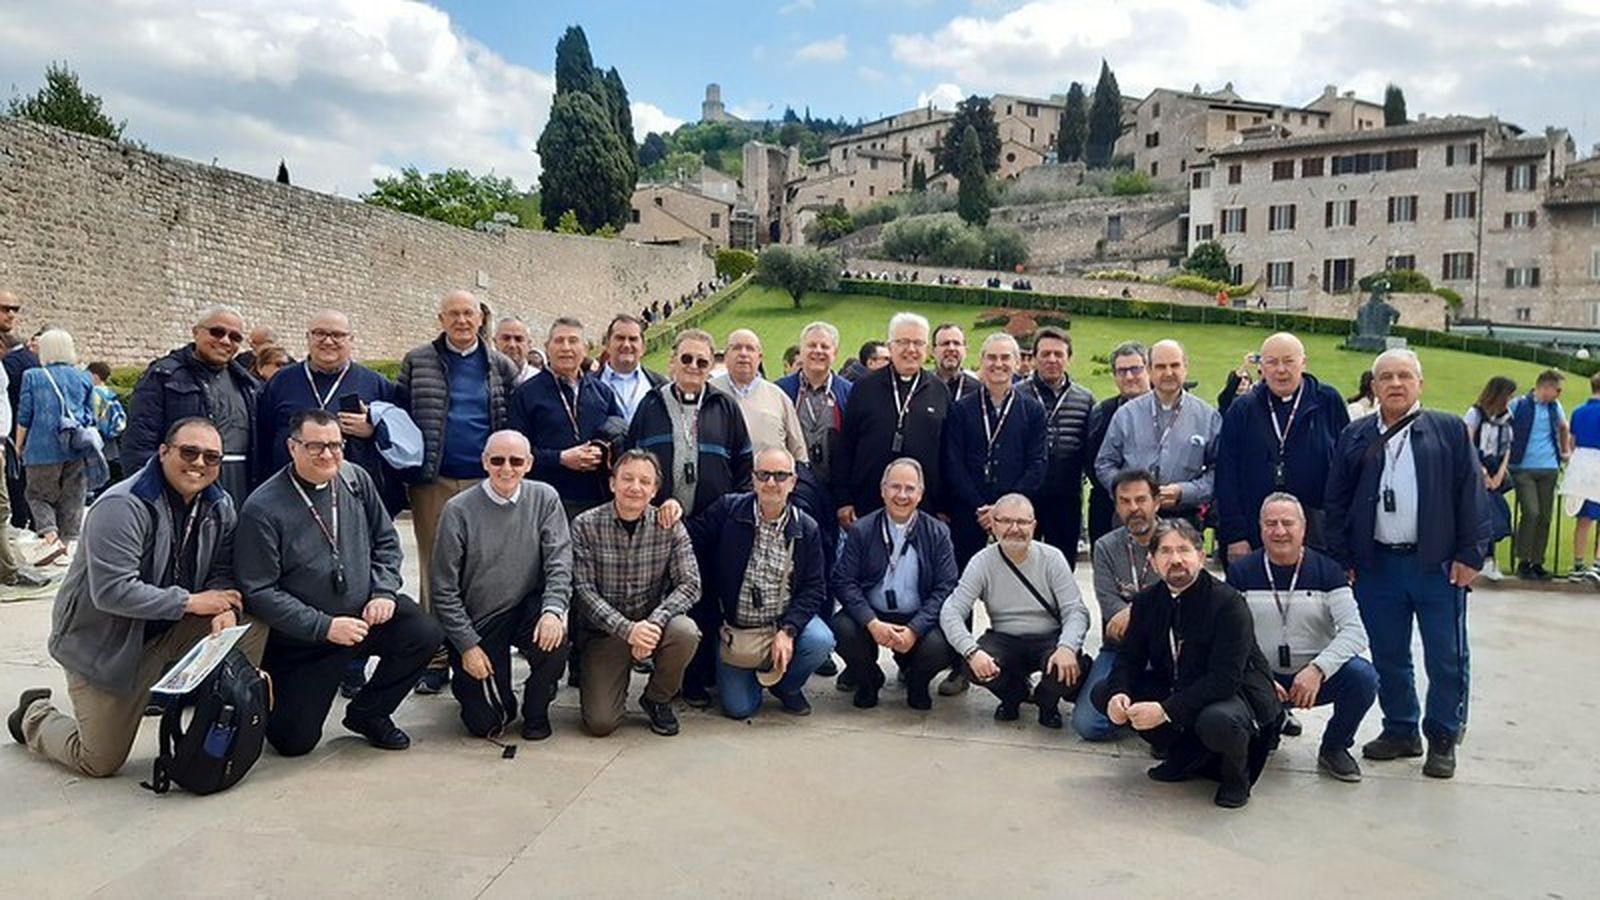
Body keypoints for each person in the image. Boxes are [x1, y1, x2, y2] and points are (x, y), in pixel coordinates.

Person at [8, 418, 267, 776]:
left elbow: (221, 569)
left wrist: (223, 608)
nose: (199, 463)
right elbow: (112, 591)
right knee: (98, 761)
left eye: (211, 457)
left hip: (169, 629)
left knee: (252, 623)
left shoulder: (219, 505)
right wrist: (193, 603)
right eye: (189, 452)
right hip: (107, 645)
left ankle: (218, 715)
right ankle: (33, 715)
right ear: (163, 452)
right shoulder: (122, 505)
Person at [237, 410, 442, 755]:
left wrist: (383, 591)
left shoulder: (354, 479)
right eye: (315, 446)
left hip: (364, 616)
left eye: (335, 445)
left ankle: (369, 713)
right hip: (307, 639)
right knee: (293, 742)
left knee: (424, 632)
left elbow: (386, 541)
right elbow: (259, 590)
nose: (328, 454)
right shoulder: (262, 508)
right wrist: (325, 627)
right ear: (292, 447)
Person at [1325, 348, 1486, 779]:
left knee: (1447, 656)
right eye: (1386, 377)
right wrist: (1343, 558)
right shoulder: (1355, 434)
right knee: (1388, 654)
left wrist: (1470, 554)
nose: (1395, 384)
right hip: (1377, 566)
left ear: (1420, 383)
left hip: (1437, 565)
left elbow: (1472, 492)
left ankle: (1443, 736)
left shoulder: (1448, 430)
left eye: (1404, 376)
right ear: (1374, 386)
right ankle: (1400, 728)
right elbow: (1336, 501)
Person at [1092, 520, 1281, 808]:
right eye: (1165, 551)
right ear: (1153, 562)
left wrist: (1166, 710)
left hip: (1235, 694)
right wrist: (1120, 693)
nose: (1176, 559)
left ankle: (1236, 776)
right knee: (1103, 693)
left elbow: (1225, 679)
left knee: (1217, 720)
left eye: (1184, 550)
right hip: (1180, 684)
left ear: (1200, 557)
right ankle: (1183, 756)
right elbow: (1129, 658)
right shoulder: (1146, 602)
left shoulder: (1228, 603)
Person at [397, 290, 518, 693]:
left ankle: (476, 650)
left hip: (487, 483)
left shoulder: (500, 365)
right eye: (453, 314)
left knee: (481, 569)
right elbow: (400, 414)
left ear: (480, 319)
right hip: (435, 481)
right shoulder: (417, 361)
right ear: (441, 319)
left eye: (469, 313)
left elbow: (511, 419)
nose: (462, 321)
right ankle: (434, 658)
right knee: (435, 570)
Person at [628, 328, 752, 705]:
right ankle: (666, 678)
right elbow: (632, 463)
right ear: (672, 361)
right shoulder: (650, 405)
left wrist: (728, 513)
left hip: (711, 525)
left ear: (711, 365)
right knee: (663, 602)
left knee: (706, 600)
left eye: (702, 361)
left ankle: (698, 678)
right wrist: (650, 508)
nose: (694, 366)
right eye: (686, 359)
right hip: (660, 524)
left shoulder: (725, 406)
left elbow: (744, 466)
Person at [1226, 493, 1378, 781]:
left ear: (1304, 528)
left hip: (1312, 678)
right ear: (1260, 528)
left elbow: (1355, 632)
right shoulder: (1241, 573)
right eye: (1270, 523)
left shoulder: (1328, 572)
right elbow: (1228, 635)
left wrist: (1318, 669)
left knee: (1363, 678)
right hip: (1262, 677)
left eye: (1287, 523)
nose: (1279, 531)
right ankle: (1269, 723)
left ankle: (1334, 747)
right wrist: (1257, 674)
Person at [429, 431, 571, 741]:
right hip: (481, 620)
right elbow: (443, 588)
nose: (506, 469)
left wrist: (553, 611)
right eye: (497, 460)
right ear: (484, 462)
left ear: (529, 464)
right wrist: (467, 645)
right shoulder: (458, 509)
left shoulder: (545, 498)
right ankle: (474, 688)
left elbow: (559, 562)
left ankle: (537, 708)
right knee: (489, 723)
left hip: (526, 607)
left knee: (556, 639)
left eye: (516, 461)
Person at [688, 448, 832, 718]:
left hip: (783, 623)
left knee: (820, 640)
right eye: (763, 475)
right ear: (753, 479)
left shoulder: (807, 528)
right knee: (739, 709)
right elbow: (690, 539)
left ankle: (787, 686)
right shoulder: (727, 511)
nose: (771, 483)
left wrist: (788, 630)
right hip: (738, 630)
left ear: (793, 482)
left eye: (780, 476)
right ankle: (752, 678)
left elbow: (815, 588)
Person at [570, 450, 702, 737]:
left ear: (654, 490)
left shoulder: (669, 525)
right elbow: (583, 591)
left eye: (645, 481)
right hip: (605, 632)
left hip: (653, 624)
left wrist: (653, 624)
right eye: (627, 478)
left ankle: (657, 698)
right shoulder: (585, 525)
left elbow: (690, 584)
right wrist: (628, 630)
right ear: (612, 483)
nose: (635, 487)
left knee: (686, 632)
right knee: (601, 723)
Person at [941, 493, 1090, 729]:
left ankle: (1047, 701)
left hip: (1049, 639)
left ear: (1034, 526)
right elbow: (951, 611)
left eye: (1022, 522)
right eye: (1006, 521)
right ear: (993, 525)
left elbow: (1076, 610)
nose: (1014, 529)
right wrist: (971, 651)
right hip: (1005, 639)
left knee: (1068, 667)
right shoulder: (982, 562)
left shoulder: (1052, 558)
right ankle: (1013, 695)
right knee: (972, 666)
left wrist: (1067, 646)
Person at [830, 457, 959, 710]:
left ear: (920, 494)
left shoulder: (938, 533)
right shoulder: (861, 530)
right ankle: (868, 680)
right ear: (882, 490)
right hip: (873, 614)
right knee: (841, 627)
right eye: (895, 487)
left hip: (917, 615)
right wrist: (871, 622)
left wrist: (915, 629)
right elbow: (844, 581)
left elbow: (946, 587)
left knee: (941, 644)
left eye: (910, 488)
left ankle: (917, 683)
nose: (902, 495)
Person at [1215, 333, 1350, 559]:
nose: (1280, 370)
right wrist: (1235, 536)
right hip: (1254, 534)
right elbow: (1227, 475)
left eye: (1288, 361)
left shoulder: (1327, 401)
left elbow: (1345, 469)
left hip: (1317, 535)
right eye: (1272, 362)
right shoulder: (1242, 409)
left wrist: (1339, 536)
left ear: (1303, 363)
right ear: (1262, 367)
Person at [123, 306, 259, 504]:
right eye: (217, 332)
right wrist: (149, 496)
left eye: (235, 337)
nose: (225, 341)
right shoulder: (163, 376)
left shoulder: (248, 385)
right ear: (196, 332)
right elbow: (140, 440)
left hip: (238, 486)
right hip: (182, 486)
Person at [1073, 469, 1165, 741]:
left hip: (1167, 649)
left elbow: (1184, 601)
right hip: (1120, 648)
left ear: (1157, 502)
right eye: (1125, 501)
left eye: (1141, 499)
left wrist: (1134, 611)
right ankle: (1137, 712)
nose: (1133, 508)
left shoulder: (1177, 541)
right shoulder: (1105, 547)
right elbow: (1108, 604)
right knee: (1087, 724)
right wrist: (1153, 610)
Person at [834, 313, 949, 530]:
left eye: (918, 343)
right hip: (867, 504)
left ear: (927, 350)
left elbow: (945, 453)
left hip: (923, 508)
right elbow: (845, 445)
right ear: (890, 346)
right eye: (903, 342)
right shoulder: (865, 387)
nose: (911, 349)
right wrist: (843, 499)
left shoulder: (939, 390)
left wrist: (943, 505)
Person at [942, 333, 1047, 567]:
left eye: (1005, 358)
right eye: (991, 357)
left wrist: (1004, 509)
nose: (998, 364)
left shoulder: (1033, 411)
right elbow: (953, 463)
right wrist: (981, 508)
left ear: (1017, 363)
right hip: (970, 513)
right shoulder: (960, 409)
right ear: (981, 361)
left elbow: (1037, 464)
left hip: (1015, 518)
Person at [508, 317, 626, 521]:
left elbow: (620, 433)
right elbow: (515, 453)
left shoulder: (602, 392)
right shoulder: (525, 394)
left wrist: (603, 449)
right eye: (559, 341)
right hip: (547, 501)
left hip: (598, 500)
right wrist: (560, 458)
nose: (566, 347)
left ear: (585, 349)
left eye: (573, 341)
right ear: (547, 347)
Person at [1094, 339, 1220, 530]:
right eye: (1160, 367)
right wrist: (1131, 492)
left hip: (1184, 519)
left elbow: (1219, 471)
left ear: (1185, 368)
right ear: (1149, 370)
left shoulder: (1207, 417)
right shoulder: (1126, 414)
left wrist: (1185, 492)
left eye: (1174, 365)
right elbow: (1104, 463)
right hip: (1132, 519)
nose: (1168, 373)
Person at [15, 329, 97, 566]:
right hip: (76, 446)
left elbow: (25, 415)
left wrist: (18, 446)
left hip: (41, 448)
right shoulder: (84, 377)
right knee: (74, 497)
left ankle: (51, 538)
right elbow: (90, 415)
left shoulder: (33, 376)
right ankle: (67, 547)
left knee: (37, 495)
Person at [1027, 327, 1094, 562]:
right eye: (1045, 354)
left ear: (1069, 358)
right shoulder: (1018, 394)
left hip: (1067, 496)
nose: (1052, 359)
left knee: (1063, 565)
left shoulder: (1084, 399)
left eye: (1058, 354)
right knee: (1024, 563)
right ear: (1034, 358)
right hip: (1027, 496)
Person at [1085, 341, 1152, 543]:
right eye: (1122, 371)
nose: (1129, 377)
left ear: (1148, 370)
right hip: (1108, 507)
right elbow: (1092, 461)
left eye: (1135, 369)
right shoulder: (1102, 412)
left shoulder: (1165, 410)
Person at [712, 329, 809, 465]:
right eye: (737, 348)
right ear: (726, 356)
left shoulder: (778, 397)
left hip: (768, 477)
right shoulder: (709, 392)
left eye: (750, 349)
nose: (743, 354)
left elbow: (798, 452)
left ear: (759, 357)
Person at [1507, 369, 1570, 580]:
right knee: (1531, 512)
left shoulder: (1555, 407)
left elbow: (1563, 427)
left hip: (1548, 467)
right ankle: (1523, 558)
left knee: (1545, 516)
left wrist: (1564, 451)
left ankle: (1537, 561)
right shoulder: (1519, 404)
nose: (1559, 394)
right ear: (1545, 387)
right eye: (1557, 390)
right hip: (1523, 467)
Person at [1463, 376, 1517, 582]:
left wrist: (1500, 474)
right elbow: (1466, 443)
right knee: (1482, 515)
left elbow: (1507, 448)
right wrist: (1482, 472)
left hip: (1495, 468)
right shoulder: (1475, 414)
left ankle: (1488, 559)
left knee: (1494, 515)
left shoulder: (1507, 418)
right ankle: (1483, 559)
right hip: (1476, 468)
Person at [597, 314, 665, 425]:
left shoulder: (661, 386)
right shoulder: (587, 387)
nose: (626, 345)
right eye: (620, 338)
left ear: (643, 348)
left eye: (633, 339)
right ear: (607, 345)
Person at [1564, 373, 1600, 582]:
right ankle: (1597, 563)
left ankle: (1578, 564)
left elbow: (1572, 442)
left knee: (1583, 518)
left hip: (1580, 465)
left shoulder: (1578, 412)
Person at [931, 322, 980, 403]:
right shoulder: (921, 387)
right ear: (933, 351)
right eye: (945, 343)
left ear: (965, 350)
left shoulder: (977, 391)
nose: (951, 348)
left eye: (957, 343)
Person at [493, 316, 540, 386]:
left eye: (518, 339)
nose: (512, 345)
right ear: (495, 342)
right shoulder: (482, 376)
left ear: (529, 344)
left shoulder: (540, 380)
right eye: (506, 338)